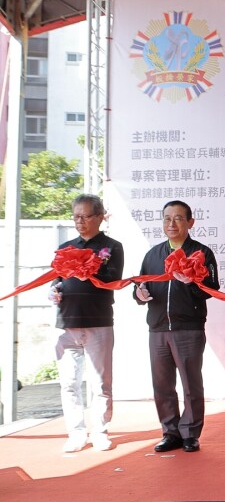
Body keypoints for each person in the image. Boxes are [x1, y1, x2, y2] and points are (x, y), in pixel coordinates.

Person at [135, 200, 219, 453]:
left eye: (178, 218)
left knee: (191, 384)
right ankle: (170, 432)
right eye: (167, 218)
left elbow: (211, 289)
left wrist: (190, 282)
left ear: (190, 222)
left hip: (188, 327)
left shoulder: (201, 253)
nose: (171, 223)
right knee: (162, 385)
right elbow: (141, 286)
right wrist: (139, 294)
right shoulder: (153, 254)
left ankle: (190, 433)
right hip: (158, 328)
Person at [50, 194, 124, 452]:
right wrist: (54, 291)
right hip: (66, 323)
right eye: (76, 216)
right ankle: (76, 432)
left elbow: (113, 279)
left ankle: (100, 431)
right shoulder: (66, 247)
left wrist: (88, 271)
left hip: (98, 321)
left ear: (100, 217)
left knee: (100, 383)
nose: (79, 221)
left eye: (85, 216)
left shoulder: (112, 247)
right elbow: (56, 279)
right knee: (69, 383)